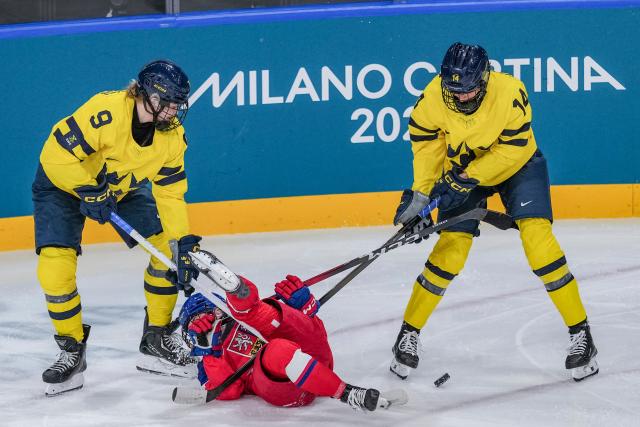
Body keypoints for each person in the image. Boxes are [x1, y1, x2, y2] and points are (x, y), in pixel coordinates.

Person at [389, 42, 598, 382]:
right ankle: (408, 332)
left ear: (484, 79)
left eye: (469, 89)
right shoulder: (432, 97)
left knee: (538, 242)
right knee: (450, 252)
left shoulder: (510, 91)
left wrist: (467, 179)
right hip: (462, 169)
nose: (461, 97)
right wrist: (422, 194)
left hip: (518, 167)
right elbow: (427, 146)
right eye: (454, 90)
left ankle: (582, 333)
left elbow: (513, 150)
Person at [32, 59, 202, 396]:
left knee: (167, 254)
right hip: (62, 186)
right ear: (145, 94)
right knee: (54, 267)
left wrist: (181, 242)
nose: (171, 111)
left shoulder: (172, 138)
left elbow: (170, 192)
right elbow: (55, 155)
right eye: (165, 103)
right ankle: (71, 349)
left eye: (176, 105)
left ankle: (156, 339)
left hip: (119, 189)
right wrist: (88, 189)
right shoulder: (106, 111)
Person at [178, 250, 401, 411]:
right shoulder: (205, 363)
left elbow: (312, 337)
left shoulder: (241, 322)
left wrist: (305, 309)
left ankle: (239, 292)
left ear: (221, 310)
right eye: (195, 321)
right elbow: (229, 391)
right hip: (285, 389)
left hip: (314, 359)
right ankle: (349, 394)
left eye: (208, 313)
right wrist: (209, 351)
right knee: (275, 350)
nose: (204, 321)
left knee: (266, 313)